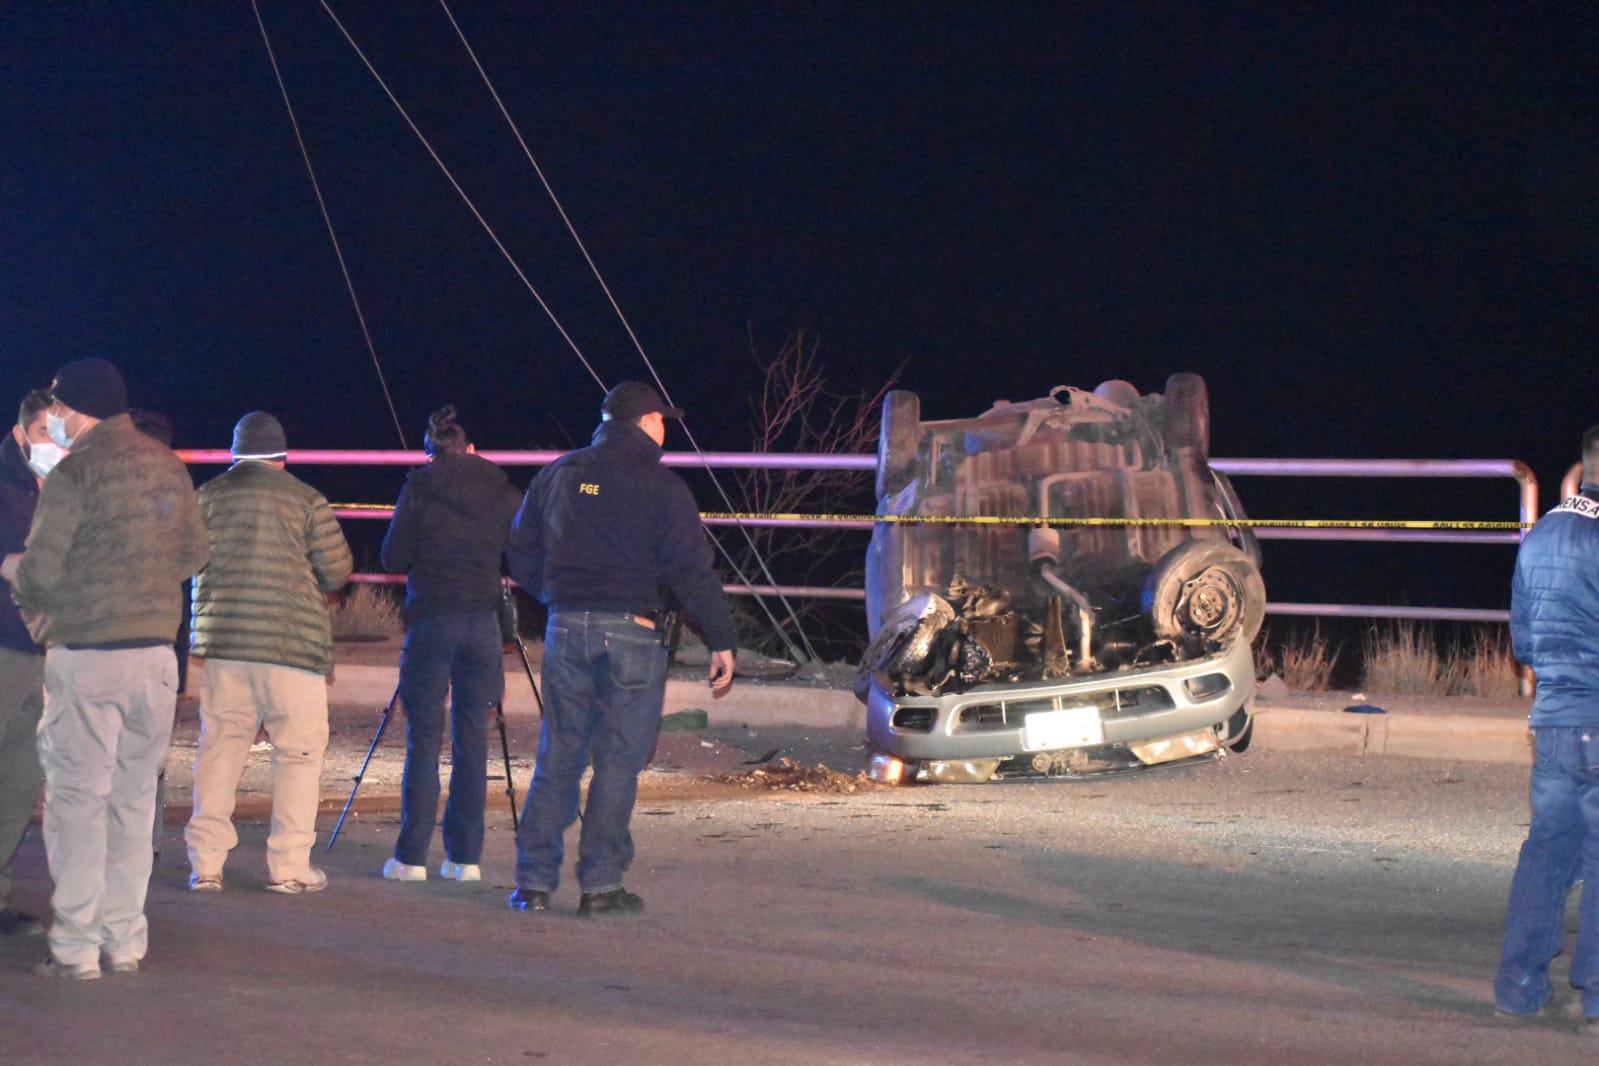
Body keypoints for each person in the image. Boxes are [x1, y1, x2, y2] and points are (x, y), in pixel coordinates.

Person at [5, 358, 209, 979]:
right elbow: (196, 551)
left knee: (77, 803)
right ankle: (124, 942)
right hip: (154, 658)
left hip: (88, 654)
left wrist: (12, 567)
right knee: (131, 801)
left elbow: (40, 574)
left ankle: (74, 947)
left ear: (79, 409)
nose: (56, 420)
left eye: (60, 409)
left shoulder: (77, 472)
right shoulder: (167, 465)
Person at [505, 381, 736, 917]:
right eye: (662, 420)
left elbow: (520, 549)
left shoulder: (559, 474)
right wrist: (722, 639)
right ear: (645, 421)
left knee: (559, 752)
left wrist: (555, 592)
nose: (665, 430)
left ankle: (533, 882)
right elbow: (690, 572)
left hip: (567, 626)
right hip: (631, 630)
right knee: (616, 761)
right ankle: (601, 884)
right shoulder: (663, 487)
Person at [183, 412, 352, 895]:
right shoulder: (305, 499)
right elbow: (337, 570)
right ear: (282, 457)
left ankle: (207, 865)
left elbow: (187, 558)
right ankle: (289, 867)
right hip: (290, 646)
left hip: (224, 645)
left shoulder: (208, 496)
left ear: (236, 454)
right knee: (297, 755)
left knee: (219, 751)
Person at [379, 404, 521, 883]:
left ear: (430, 452)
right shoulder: (501, 490)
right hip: (482, 623)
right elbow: (521, 552)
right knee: (472, 741)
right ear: (471, 449)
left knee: (424, 739)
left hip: (432, 622)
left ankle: (411, 857)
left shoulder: (418, 487)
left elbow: (392, 556)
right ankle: (465, 858)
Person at [1496, 423, 1599, 1023]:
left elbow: (1525, 638)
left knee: (1548, 851)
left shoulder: (1541, 535)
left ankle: (1519, 984)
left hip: (1556, 719)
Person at [0, 390, 57, 938]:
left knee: (17, 781)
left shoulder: (60, 486)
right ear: (21, 434)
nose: (53, 446)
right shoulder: (6, 485)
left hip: (41, 648)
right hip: (2, 644)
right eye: (44, 435)